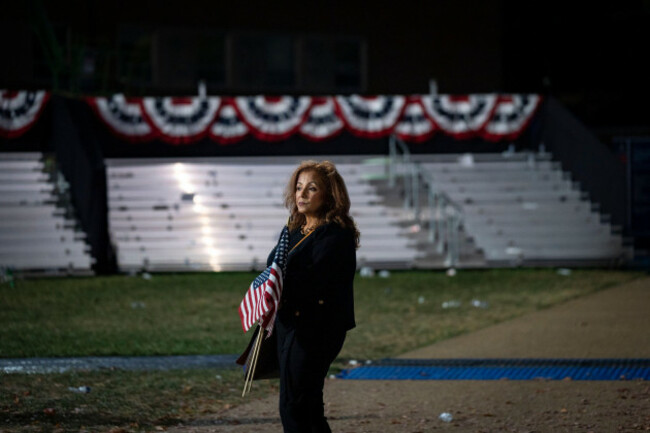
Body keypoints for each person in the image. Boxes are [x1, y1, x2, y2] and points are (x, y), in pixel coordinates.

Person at [267, 160, 359, 433]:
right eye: (298, 188)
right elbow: (273, 267)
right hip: (289, 324)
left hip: (316, 327)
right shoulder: (294, 230)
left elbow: (314, 280)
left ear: (329, 194)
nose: (302, 194)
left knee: (296, 404)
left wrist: (282, 288)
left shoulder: (336, 234)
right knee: (302, 403)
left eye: (311, 188)